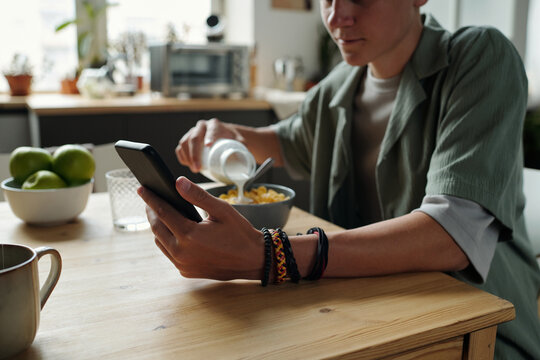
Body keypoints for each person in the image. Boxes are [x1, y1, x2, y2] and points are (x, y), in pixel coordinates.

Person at [137, 0, 540, 358]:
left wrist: (269, 256)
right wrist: (233, 134)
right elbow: (290, 141)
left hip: (477, 330)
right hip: (369, 317)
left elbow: (454, 232)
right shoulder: (339, 86)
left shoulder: (480, 58)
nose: (337, 17)